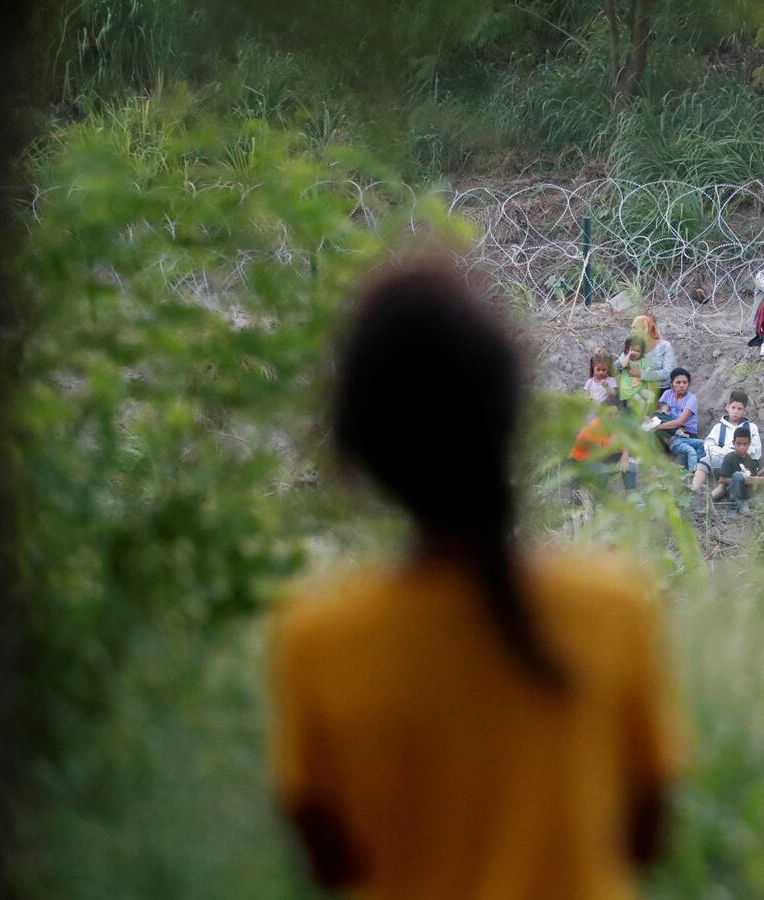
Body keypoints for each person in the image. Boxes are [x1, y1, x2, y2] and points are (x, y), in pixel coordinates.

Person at [269, 257, 682, 900]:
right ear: (509, 417)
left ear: (357, 447)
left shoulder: (315, 643)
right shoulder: (610, 607)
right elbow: (645, 836)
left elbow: (330, 863)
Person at [691, 389, 761, 499]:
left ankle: (710, 498)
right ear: (727, 407)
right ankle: (694, 490)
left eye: (739, 409)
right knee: (705, 460)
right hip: (722, 459)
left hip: (741, 464)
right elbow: (709, 446)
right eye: (733, 407)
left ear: (744, 410)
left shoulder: (751, 427)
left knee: (727, 478)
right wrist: (725, 453)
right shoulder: (719, 427)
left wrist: (736, 453)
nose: (735, 411)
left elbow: (756, 450)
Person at [709, 428, 764, 518]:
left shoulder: (749, 459)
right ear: (733, 443)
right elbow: (722, 479)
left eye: (745, 444)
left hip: (747, 493)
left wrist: (762, 474)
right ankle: (733, 507)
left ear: (749, 444)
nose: (742, 447)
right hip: (734, 491)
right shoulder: (729, 458)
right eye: (738, 444)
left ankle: (749, 503)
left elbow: (752, 476)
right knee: (738, 475)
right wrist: (743, 480)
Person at [569, 413, 637, 494]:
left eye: (616, 414)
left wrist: (625, 454)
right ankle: (598, 499)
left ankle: (632, 497)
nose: (614, 417)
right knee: (601, 469)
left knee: (630, 461)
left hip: (603, 457)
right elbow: (597, 454)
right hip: (582, 462)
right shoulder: (594, 426)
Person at [654, 368, 704, 472]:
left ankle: (687, 470)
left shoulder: (691, 399)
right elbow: (662, 414)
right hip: (671, 432)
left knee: (681, 460)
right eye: (678, 382)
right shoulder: (667, 394)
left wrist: (657, 426)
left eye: (685, 382)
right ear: (672, 383)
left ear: (688, 383)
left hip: (687, 434)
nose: (681, 385)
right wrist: (661, 423)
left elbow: (680, 422)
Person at [617, 314, 676, 391]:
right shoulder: (633, 345)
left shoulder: (665, 346)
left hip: (660, 390)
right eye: (631, 328)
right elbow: (618, 365)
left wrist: (642, 374)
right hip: (636, 389)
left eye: (634, 328)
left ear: (645, 329)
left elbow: (668, 373)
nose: (632, 332)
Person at [616, 337, 659, 421]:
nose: (635, 353)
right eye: (633, 350)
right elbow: (623, 365)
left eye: (638, 351)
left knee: (651, 396)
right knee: (641, 401)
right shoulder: (626, 360)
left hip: (639, 388)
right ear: (627, 350)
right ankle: (642, 417)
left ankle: (646, 414)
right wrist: (629, 354)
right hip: (629, 391)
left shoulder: (642, 361)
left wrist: (643, 373)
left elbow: (648, 373)